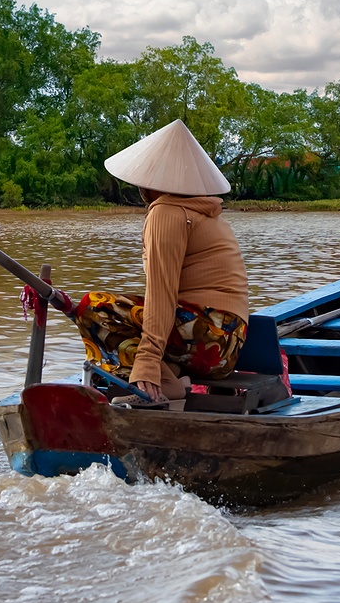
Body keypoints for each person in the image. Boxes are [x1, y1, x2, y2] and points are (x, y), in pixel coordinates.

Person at [75, 119, 250, 405]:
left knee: (94, 306)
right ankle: (173, 373)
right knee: (127, 310)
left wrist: (147, 358)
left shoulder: (166, 214)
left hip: (210, 341)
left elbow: (162, 293)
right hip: (227, 346)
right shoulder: (203, 212)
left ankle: (160, 383)